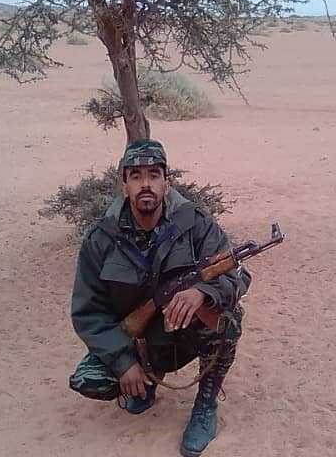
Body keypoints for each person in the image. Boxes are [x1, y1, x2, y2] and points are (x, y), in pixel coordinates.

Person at [69, 139, 250, 457]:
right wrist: (123, 363)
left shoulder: (195, 223)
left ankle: (206, 404)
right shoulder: (101, 238)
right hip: (140, 340)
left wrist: (202, 293)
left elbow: (238, 277)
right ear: (124, 184)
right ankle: (147, 378)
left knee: (227, 321)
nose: (145, 184)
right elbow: (89, 312)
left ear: (166, 182)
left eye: (154, 174)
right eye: (136, 176)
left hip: (187, 330)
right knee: (89, 379)